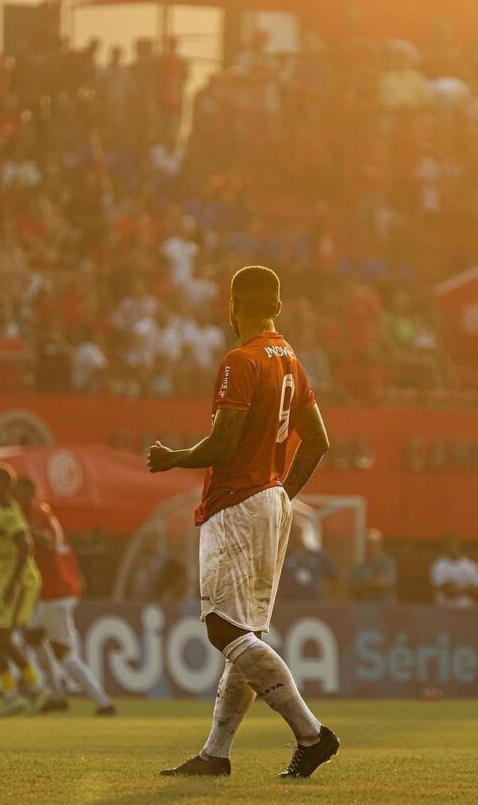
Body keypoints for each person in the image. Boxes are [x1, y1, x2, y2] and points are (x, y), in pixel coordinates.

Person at [148, 265, 339, 779]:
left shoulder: (242, 360)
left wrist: (174, 457)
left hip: (236, 502)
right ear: (277, 305)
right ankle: (216, 754)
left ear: (234, 305)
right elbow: (317, 442)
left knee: (222, 627)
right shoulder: (292, 361)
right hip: (271, 502)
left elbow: (225, 443)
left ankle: (311, 734)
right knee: (245, 631)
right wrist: (281, 494)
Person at [14, 476, 116, 716]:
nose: (14, 498)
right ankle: (57, 696)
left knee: (63, 652)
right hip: (57, 589)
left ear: (27, 492)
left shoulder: (35, 513)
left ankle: (104, 702)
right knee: (33, 636)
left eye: (16, 492)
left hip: (56, 591)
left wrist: (25, 534)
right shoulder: (41, 511)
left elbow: (47, 542)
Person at [0, 464, 45, 717]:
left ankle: (32, 690)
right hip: (7, 581)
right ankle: (20, 693)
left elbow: (24, 546)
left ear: (1, 485)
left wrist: (10, 585)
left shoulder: (7, 512)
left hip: (18, 582)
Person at [278, 523, 338, 601]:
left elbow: (333, 576)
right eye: (293, 533)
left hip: (313, 604)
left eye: (299, 532)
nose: (297, 536)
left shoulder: (318, 555)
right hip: (288, 603)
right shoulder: (284, 555)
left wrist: (329, 598)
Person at [430, 534, 478, 609]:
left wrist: (459, 589)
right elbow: (449, 591)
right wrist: (470, 589)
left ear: (460, 545)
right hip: (444, 611)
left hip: (468, 611)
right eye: (449, 545)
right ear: (444, 547)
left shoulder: (471, 566)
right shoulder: (439, 566)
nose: (452, 547)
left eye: (454, 544)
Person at [349, 529, 398, 604]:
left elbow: (383, 584)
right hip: (364, 608)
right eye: (367, 545)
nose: (369, 547)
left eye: (372, 544)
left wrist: (363, 585)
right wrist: (372, 584)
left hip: (383, 609)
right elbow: (352, 587)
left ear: (379, 545)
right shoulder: (359, 566)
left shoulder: (388, 564)